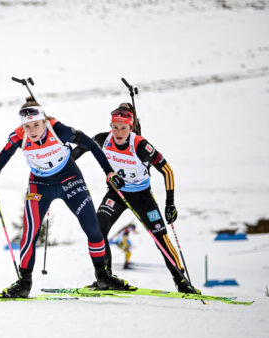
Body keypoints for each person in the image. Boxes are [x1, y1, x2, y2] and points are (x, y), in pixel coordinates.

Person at [0, 98, 134, 298]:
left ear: (43, 121)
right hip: (40, 185)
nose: (33, 130)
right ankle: (24, 283)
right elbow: (5, 154)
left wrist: (109, 172)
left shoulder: (58, 129)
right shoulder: (18, 136)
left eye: (36, 124)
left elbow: (91, 144)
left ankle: (103, 276)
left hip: (69, 179)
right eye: (27, 126)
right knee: (29, 234)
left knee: (93, 229)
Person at [73, 103, 199, 293]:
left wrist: (170, 204)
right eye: (114, 127)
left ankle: (181, 281)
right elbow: (78, 151)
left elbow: (167, 170)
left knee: (160, 238)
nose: (118, 132)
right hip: (117, 193)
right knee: (98, 230)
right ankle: (104, 278)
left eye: (123, 128)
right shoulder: (102, 139)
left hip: (142, 196)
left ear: (131, 128)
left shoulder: (140, 144)